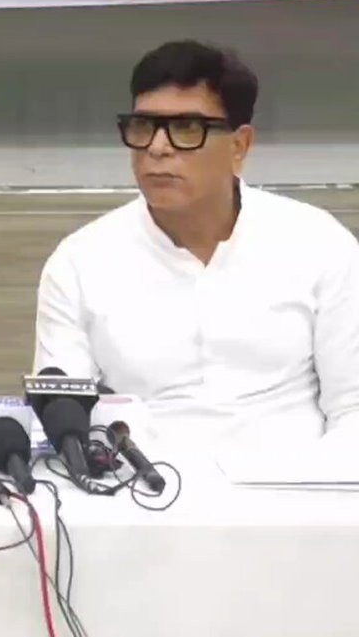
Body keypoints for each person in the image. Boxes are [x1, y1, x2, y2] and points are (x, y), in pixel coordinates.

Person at [34, 40, 359, 451]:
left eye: (187, 128)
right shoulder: (79, 262)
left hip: (297, 480)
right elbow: (61, 417)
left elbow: (353, 407)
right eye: (143, 126)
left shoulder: (318, 243)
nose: (157, 147)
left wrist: (324, 485)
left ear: (239, 146)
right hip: (144, 482)